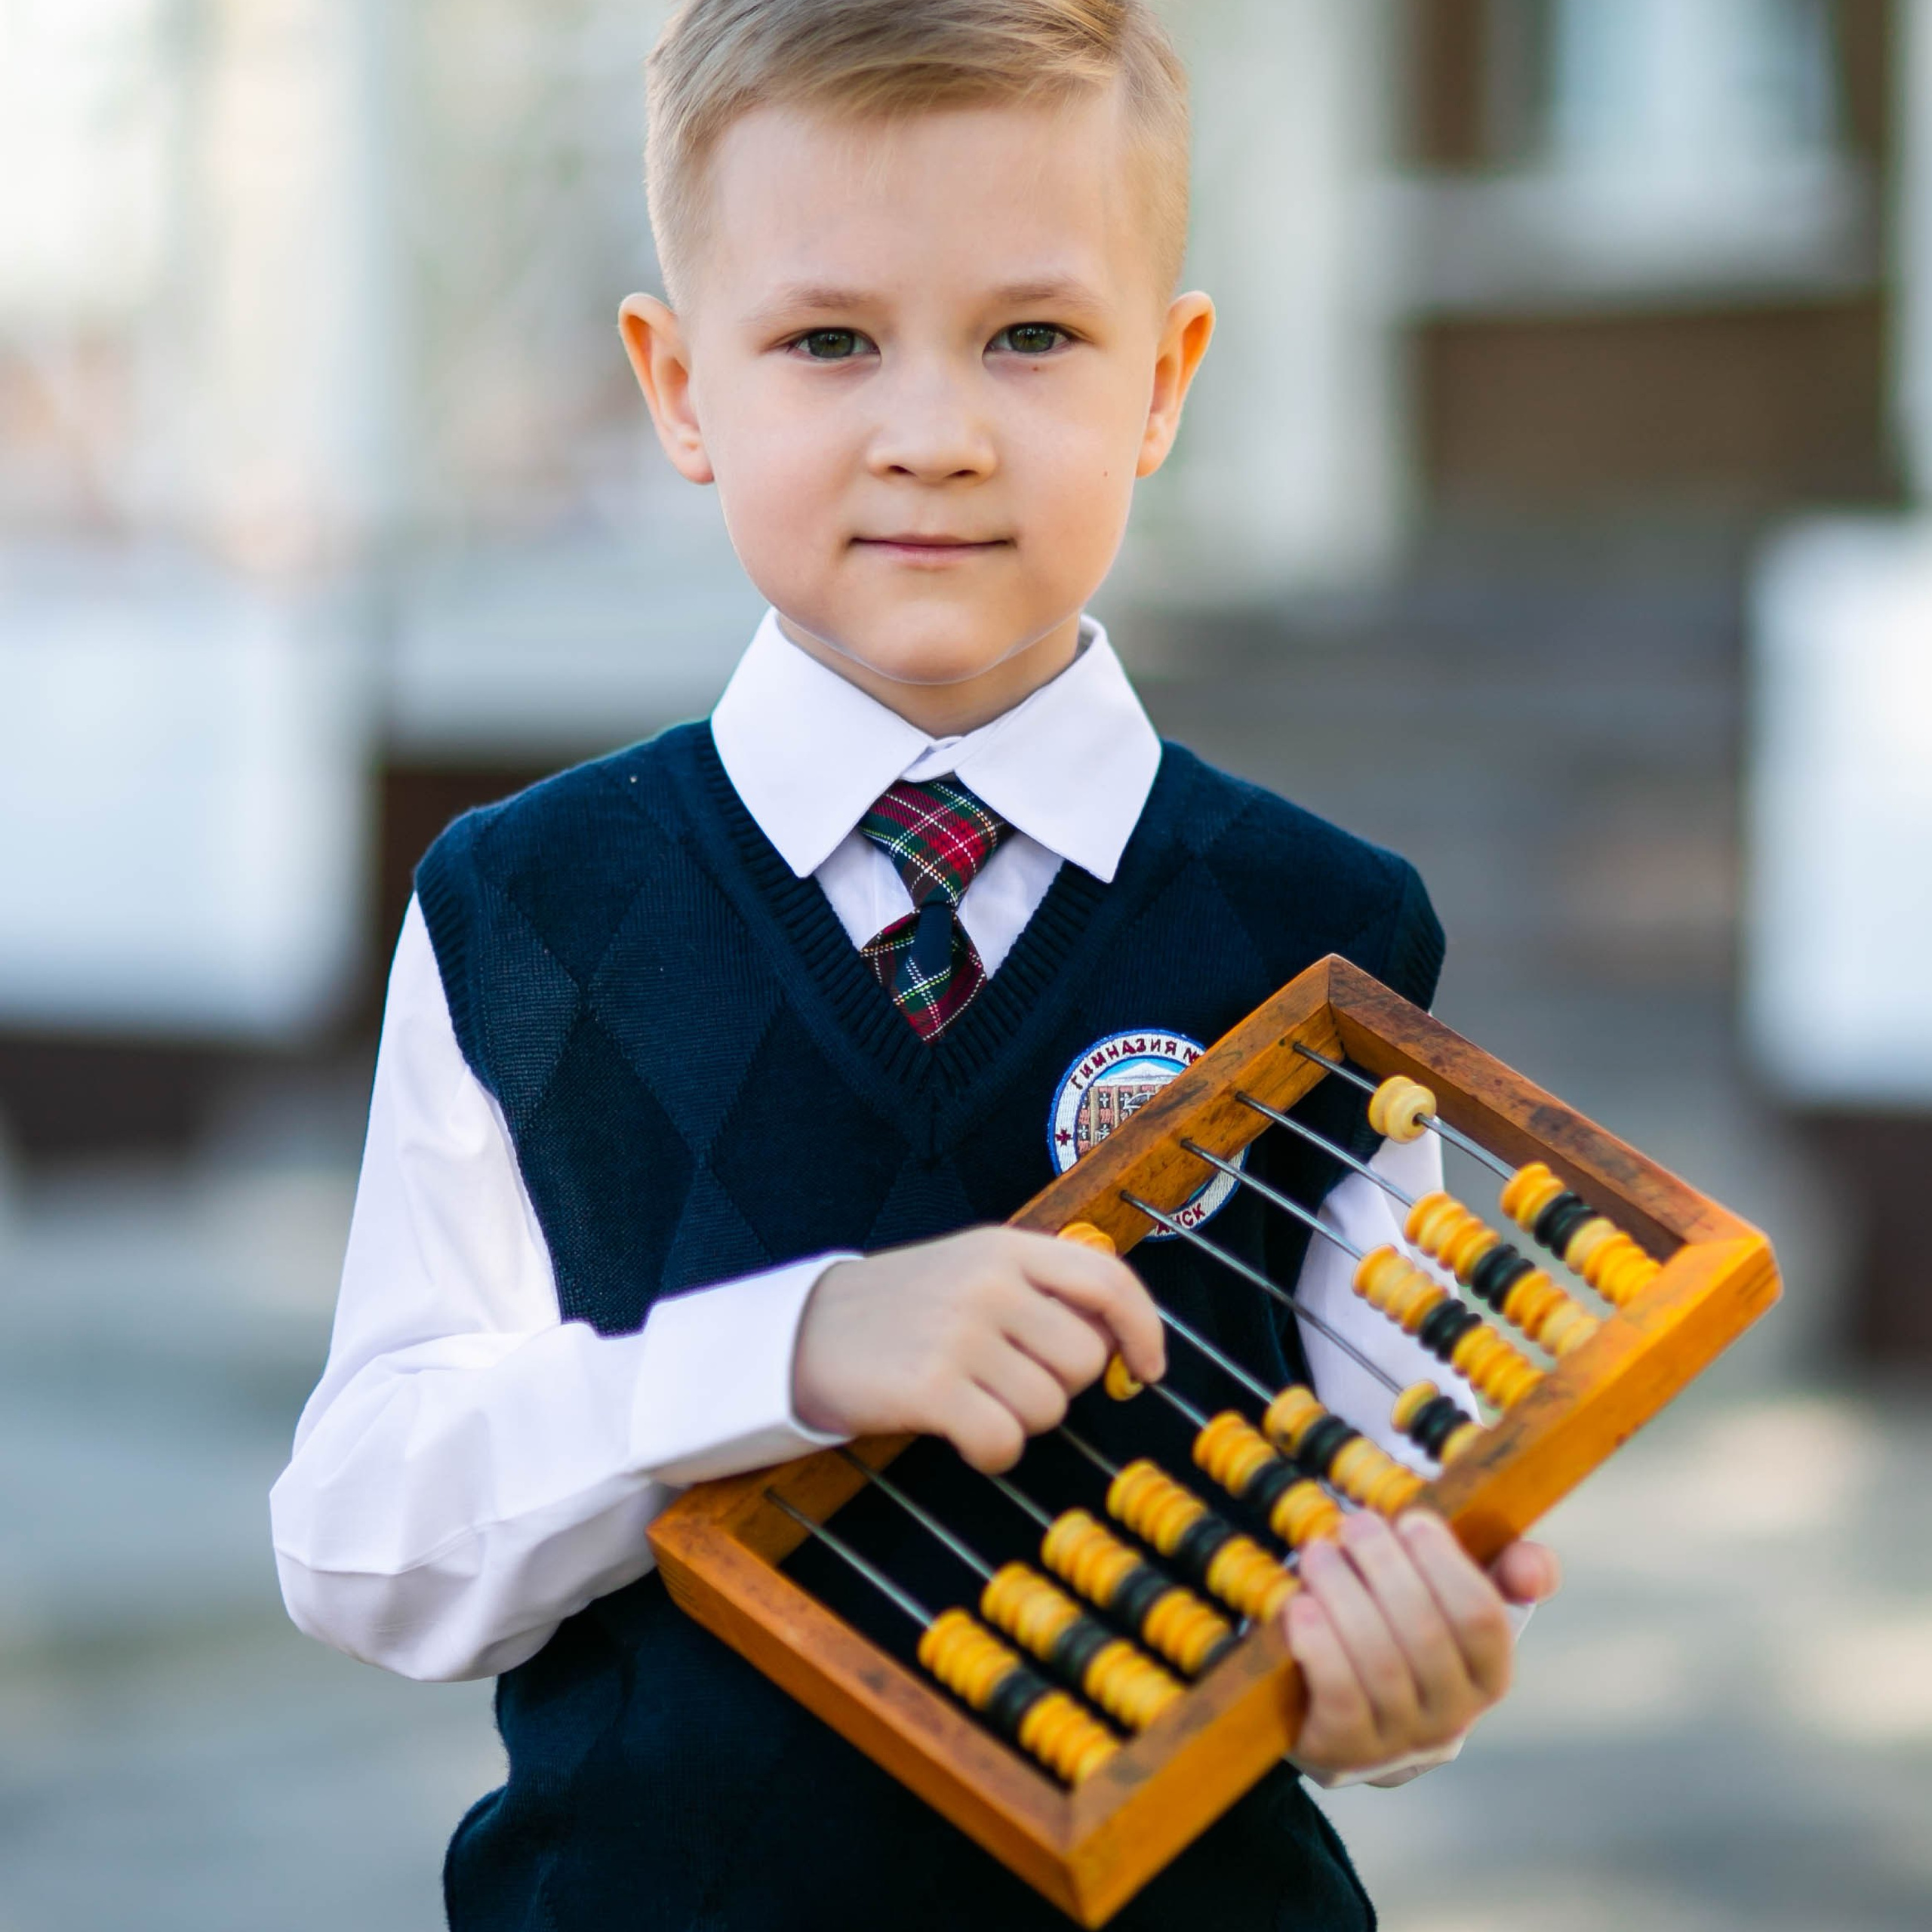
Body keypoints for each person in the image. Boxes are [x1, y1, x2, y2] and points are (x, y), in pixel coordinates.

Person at [271, 4, 1561, 1926]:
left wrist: (1401, 1692)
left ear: (1163, 381)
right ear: (678, 385)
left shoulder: (1317, 928)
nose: (935, 434)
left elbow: (1375, 1503)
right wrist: (784, 1353)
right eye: (827, 341)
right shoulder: (527, 909)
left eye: (1030, 335)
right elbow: (361, 1535)